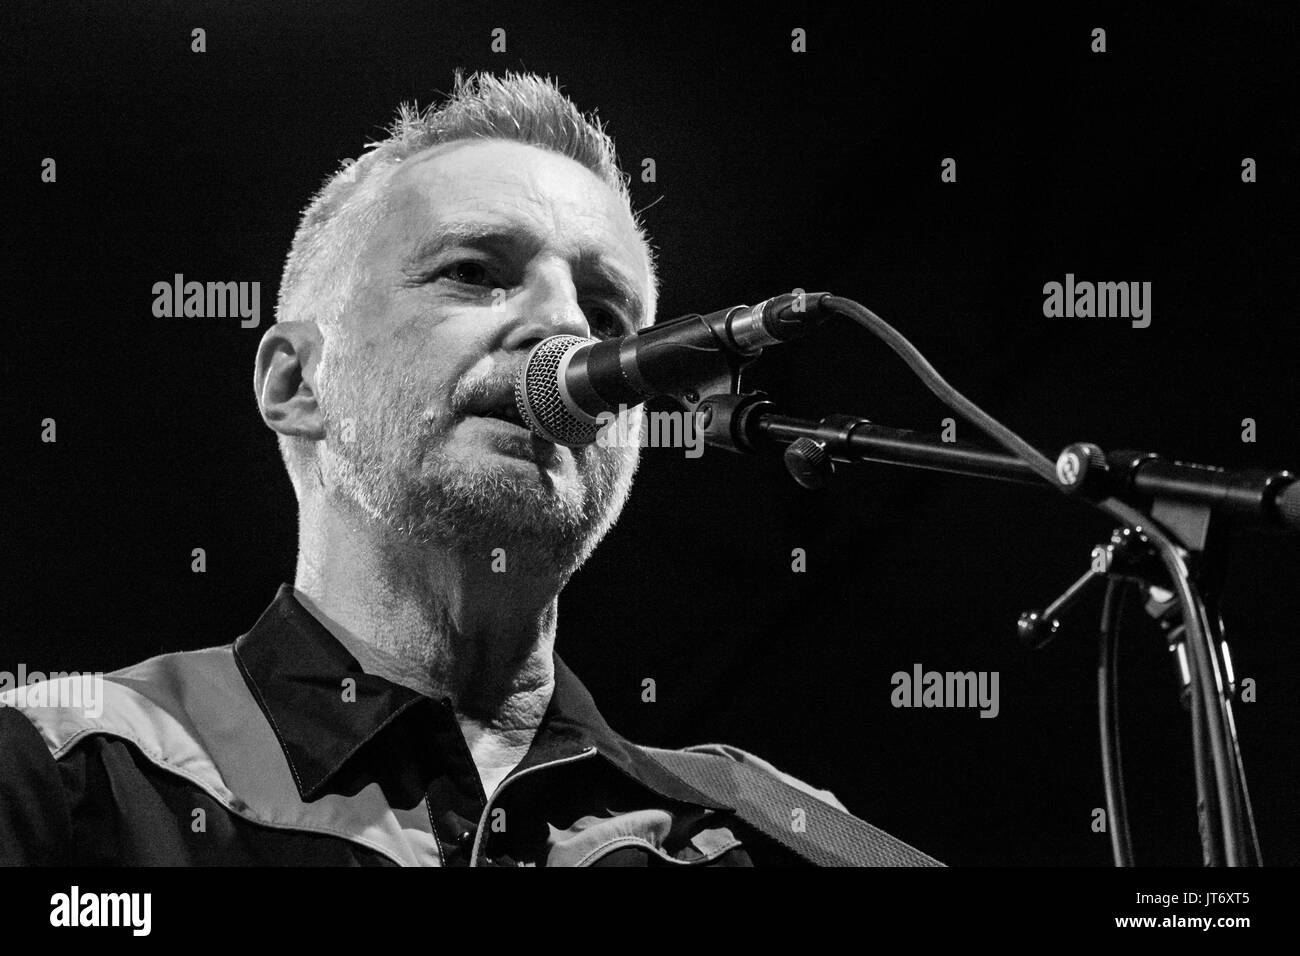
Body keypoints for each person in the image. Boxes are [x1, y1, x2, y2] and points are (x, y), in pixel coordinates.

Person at [0, 71, 936, 867]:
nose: (566, 330)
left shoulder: (773, 830)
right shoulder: (65, 768)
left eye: (610, 316)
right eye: (475, 271)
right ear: (297, 380)